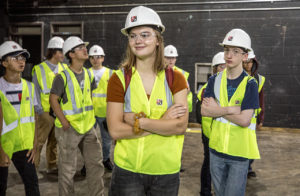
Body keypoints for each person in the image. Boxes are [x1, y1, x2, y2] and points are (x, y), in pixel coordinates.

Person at [106, 6, 189, 196]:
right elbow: (116, 130)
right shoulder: (118, 79)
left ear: (158, 40)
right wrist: (162, 122)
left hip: (165, 171)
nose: (138, 41)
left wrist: (139, 122)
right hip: (127, 171)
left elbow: (179, 127)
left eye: (145, 34)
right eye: (133, 36)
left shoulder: (176, 78)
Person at [201, 29, 260, 196]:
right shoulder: (214, 80)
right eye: (226, 50)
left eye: (235, 51)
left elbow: (244, 120)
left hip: (239, 154)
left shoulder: (250, 84)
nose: (229, 55)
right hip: (216, 150)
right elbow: (205, 111)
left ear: (245, 56)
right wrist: (229, 109)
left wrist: (216, 110)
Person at [49, 36, 104, 196]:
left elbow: (89, 97)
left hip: (88, 127)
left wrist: (92, 119)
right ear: (71, 54)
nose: (85, 49)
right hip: (69, 129)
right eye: (80, 48)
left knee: (96, 165)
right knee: (67, 170)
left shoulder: (88, 74)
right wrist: (63, 121)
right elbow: (53, 99)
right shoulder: (62, 77)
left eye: (84, 47)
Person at [0, 41, 40, 196]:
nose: (21, 60)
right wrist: (1, 151)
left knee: (32, 184)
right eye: (15, 58)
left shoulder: (29, 86)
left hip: (25, 146)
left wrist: (35, 142)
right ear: (4, 62)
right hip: (4, 145)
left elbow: (34, 117)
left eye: (23, 57)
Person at [32, 36, 68, 174]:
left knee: (54, 141)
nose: (64, 55)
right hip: (45, 112)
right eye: (62, 52)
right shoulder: (39, 69)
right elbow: (35, 90)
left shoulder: (64, 68)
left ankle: (52, 166)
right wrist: (39, 110)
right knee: (39, 141)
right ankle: (33, 167)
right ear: (54, 52)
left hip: (59, 111)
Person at [80, 45, 114, 176]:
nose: (95, 60)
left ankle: (105, 160)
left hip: (105, 113)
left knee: (106, 140)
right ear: (89, 59)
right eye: (92, 57)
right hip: (89, 113)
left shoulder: (111, 73)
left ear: (103, 58)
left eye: (98, 57)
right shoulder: (84, 72)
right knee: (88, 140)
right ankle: (87, 162)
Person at [196, 52, 226, 196]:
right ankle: (205, 191)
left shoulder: (230, 86)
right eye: (221, 66)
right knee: (209, 163)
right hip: (210, 133)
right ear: (215, 69)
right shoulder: (208, 88)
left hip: (224, 133)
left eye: (226, 65)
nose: (224, 69)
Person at [243, 49, 265, 178]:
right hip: (239, 117)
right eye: (245, 62)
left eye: (250, 62)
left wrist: (260, 118)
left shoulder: (259, 79)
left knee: (251, 144)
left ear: (254, 62)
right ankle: (243, 167)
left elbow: (261, 100)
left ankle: (248, 167)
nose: (247, 65)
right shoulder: (237, 76)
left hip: (252, 119)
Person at [164, 45, 193, 113]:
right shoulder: (157, 72)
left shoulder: (182, 73)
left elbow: (187, 92)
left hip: (178, 110)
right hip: (162, 109)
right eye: (168, 58)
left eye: (173, 58)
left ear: (176, 59)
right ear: (163, 58)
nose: (171, 60)